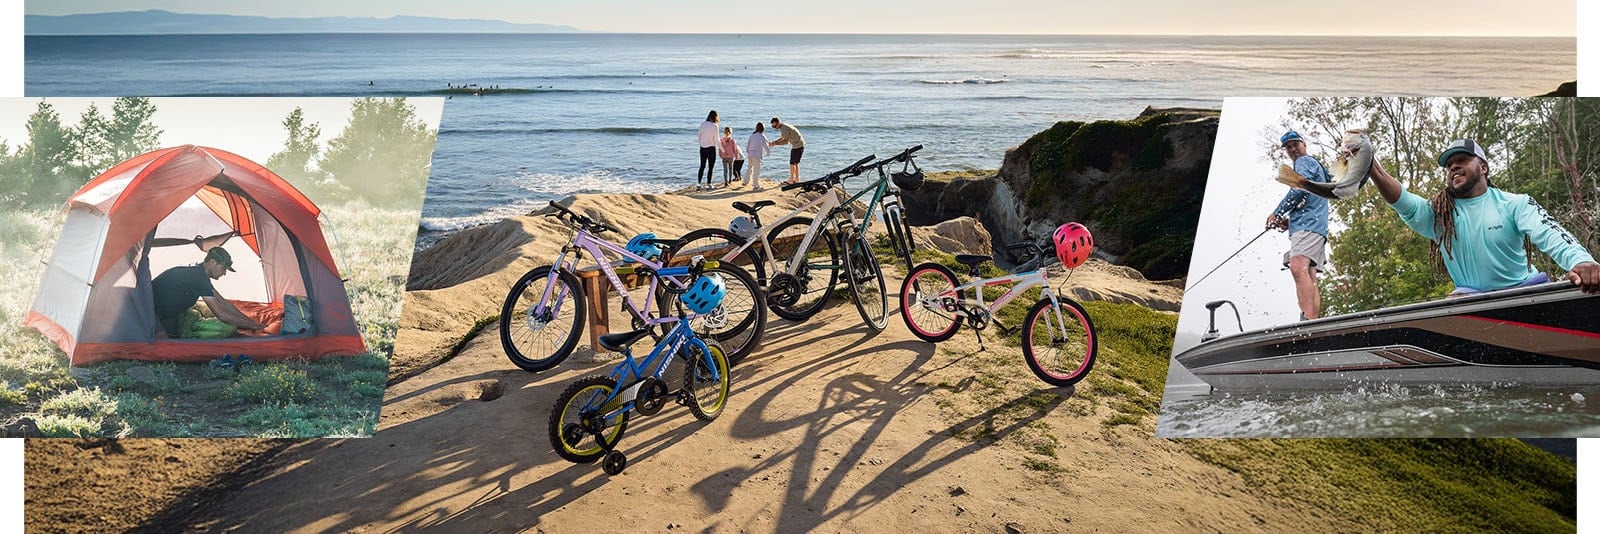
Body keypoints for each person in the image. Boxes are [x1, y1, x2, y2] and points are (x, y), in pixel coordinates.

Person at [1369, 138, 1600, 295]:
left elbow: (1551, 233)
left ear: (1483, 168)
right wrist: (1369, 164)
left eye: (1462, 160)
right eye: (1449, 165)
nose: (1453, 167)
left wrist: (1580, 261)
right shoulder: (1439, 215)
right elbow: (1402, 200)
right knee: (1457, 298)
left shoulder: (1515, 203)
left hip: (1524, 293)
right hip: (1473, 305)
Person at [1265, 130, 1331, 320]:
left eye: (1295, 144)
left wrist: (1276, 213)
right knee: (1310, 275)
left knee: (1297, 266)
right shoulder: (1315, 166)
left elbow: (1300, 189)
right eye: (1288, 147)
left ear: (1304, 144)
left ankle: (1307, 322)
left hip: (1308, 226)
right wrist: (1290, 220)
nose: (1293, 149)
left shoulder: (1304, 162)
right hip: (1316, 227)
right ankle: (1313, 321)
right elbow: (1310, 197)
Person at [152, 247, 267, 338]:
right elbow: (221, 315)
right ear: (212, 262)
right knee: (165, 347)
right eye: (223, 268)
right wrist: (251, 326)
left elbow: (223, 303)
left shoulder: (200, 274)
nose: (224, 273)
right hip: (149, 313)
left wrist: (250, 321)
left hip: (168, 314)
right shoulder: (197, 277)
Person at [767, 117, 805, 184]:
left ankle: (792, 180)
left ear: (778, 122)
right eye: (773, 127)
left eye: (775, 126)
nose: (775, 128)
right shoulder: (784, 127)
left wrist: (775, 143)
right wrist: (774, 142)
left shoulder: (784, 128)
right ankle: (796, 179)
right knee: (795, 163)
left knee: (792, 163)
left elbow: (785, 142)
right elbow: (783, 138)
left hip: (797, 146)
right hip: (798, 145)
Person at [698, 110, 720, 191]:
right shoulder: (715, 126)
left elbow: (699, 135)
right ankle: (709, 184)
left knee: (702, 166)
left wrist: (701, 144)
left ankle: (699, 183)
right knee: (711, 167)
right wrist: (723, 150)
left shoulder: (703, 124)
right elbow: (717, 140)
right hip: (711, 148)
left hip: (702, 148)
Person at [745, 122, 771, 190]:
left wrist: (748, 151)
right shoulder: (762, 136)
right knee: (756, 170)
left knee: (749, 168)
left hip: (750, 154)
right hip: (756, 155)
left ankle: (745, 181)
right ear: (763, 129)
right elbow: (766, 146)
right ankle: (755, 185)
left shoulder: (752, 135)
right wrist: (768, 153)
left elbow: (748, 145)